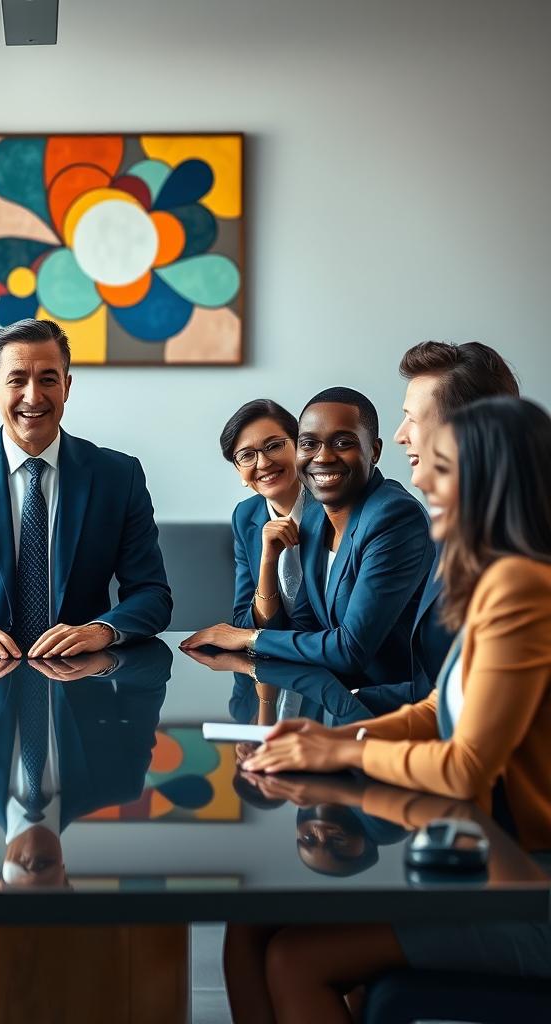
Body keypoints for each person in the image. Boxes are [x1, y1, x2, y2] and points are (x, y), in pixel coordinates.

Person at [234, 396, 551, 1022]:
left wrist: (338, 748)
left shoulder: (523, 586)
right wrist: (328, 738)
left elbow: (464, 770)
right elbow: (440, 706)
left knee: (292, 958)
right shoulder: (499, 577)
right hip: (501, 861)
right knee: (251, 925)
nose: (422, 479)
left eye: (441, 466)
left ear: (493, 480)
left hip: (530, 888)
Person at [0, 318, 172, 660]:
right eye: (17, 380)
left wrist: (100, 631)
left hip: (83, 683)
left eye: (48, 380)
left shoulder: (118, 476)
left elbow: (152, 595)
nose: (33, 396)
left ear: (67, 387)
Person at [182, 388, 434, 697]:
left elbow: (345, 645)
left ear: (375, 451)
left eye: (274, 446)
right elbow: (299, 625)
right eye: (310, 444)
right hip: (323, 686)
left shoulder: (384, 513)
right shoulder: (317, 515)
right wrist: (268, 562)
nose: (324, 456)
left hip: (390, 698)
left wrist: (250, 637)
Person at [0, 638, 170, 888]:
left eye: (19, 887)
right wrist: (105, 663)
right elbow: (152, 677)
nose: (31, 867)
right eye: (44, 884)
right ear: (66, 883)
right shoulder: (120, 782)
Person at [378, 340, 521, 707]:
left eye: (412, 418)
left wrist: (348, 745)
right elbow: (442, 692)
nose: (399, 434)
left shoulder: (520, 563)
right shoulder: (451, 529)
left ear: (464, 431)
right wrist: (347, 709)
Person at [218, 399, 311, 629]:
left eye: (273, 446)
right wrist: (268, 560)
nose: (263, 462)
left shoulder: (333, 506)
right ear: (238, 469)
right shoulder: (245, 516)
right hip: (269, 661)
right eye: (247, 455)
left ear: (299, 446)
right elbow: (245, 623)